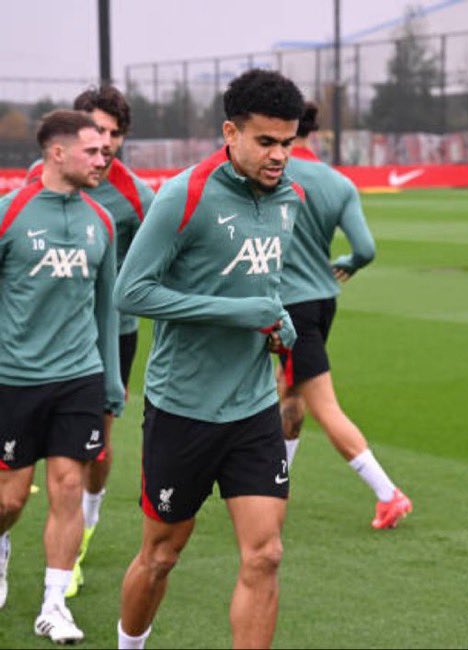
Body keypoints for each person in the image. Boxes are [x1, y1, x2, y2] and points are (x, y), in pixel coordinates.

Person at [113, 69, 304, 650]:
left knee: (265, 554)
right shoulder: (185, 195)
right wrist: (237, 312)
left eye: (288, 142)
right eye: (266, 141)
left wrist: (278, 319)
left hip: (252, 407)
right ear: (230, 132)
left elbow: (264, 286)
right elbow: (130, 293)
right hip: (184, 407)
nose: (279, 156)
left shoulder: (289, 198)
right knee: (161, 555)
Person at [26, 86, 156, 598]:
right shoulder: (40, 181)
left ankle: (86, 522)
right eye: (96, 130)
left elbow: (165, 251)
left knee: (95, 451)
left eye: (114, 134)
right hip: (35, 337)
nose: (105, 142)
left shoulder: (134, 195)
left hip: (108, 337)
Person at [0, 110, 124, 644]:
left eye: (105, 149)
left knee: (69, 486)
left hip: (79, 376)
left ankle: (54, 605)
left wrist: (111, 382)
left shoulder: (102, 221)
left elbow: (108, 309)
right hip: (14, 378)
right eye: (91, 150)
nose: (103, 157)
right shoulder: (9, 213)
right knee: (9, 500)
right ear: (57, 153)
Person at [278, 101, 412, 530]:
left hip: (288, 306)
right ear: (314, 133)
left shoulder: (272, 173)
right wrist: (348, 263)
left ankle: (388, 494)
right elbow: (365, 249)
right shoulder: (338, 183)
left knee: (322, 405)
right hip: (322, 299)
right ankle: (276, 483)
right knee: (290, 393)